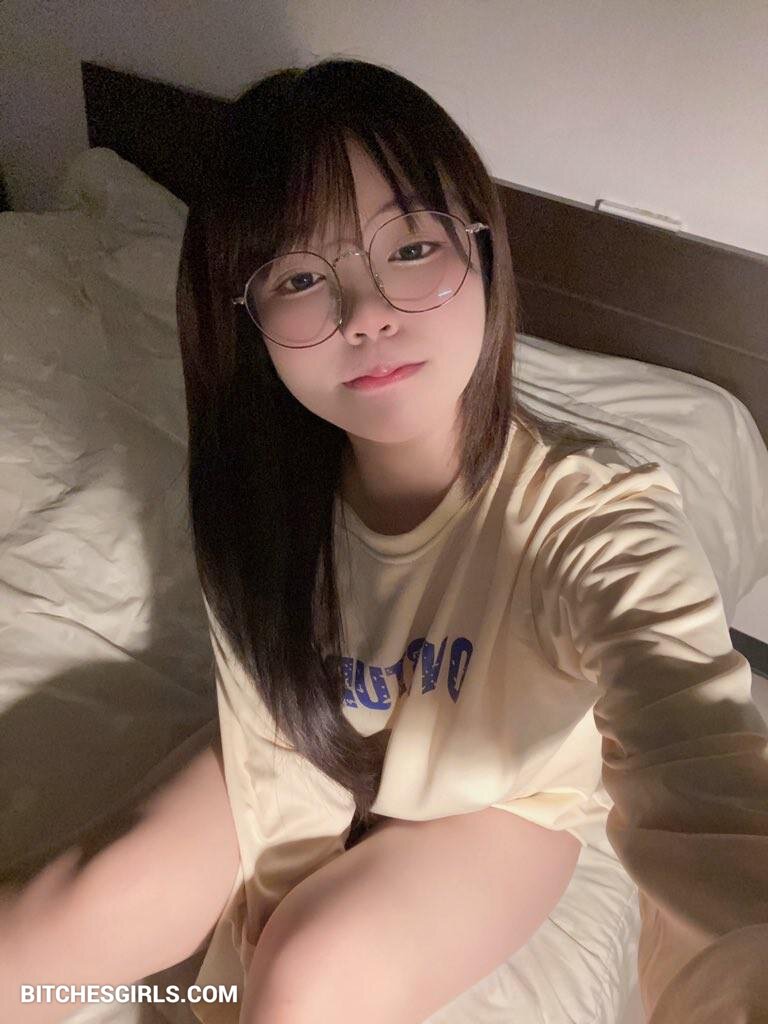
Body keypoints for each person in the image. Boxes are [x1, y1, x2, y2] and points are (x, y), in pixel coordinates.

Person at [3, 56, 768, 1024]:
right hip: (305, 725)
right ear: (247, 315)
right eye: (300, 275)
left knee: (308, 978)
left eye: (410, 249)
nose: (365, 315)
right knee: (68, 915)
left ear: (483, 252)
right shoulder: (267, 476)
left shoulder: (590, 520)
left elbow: (700, 764)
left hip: (497, 794)